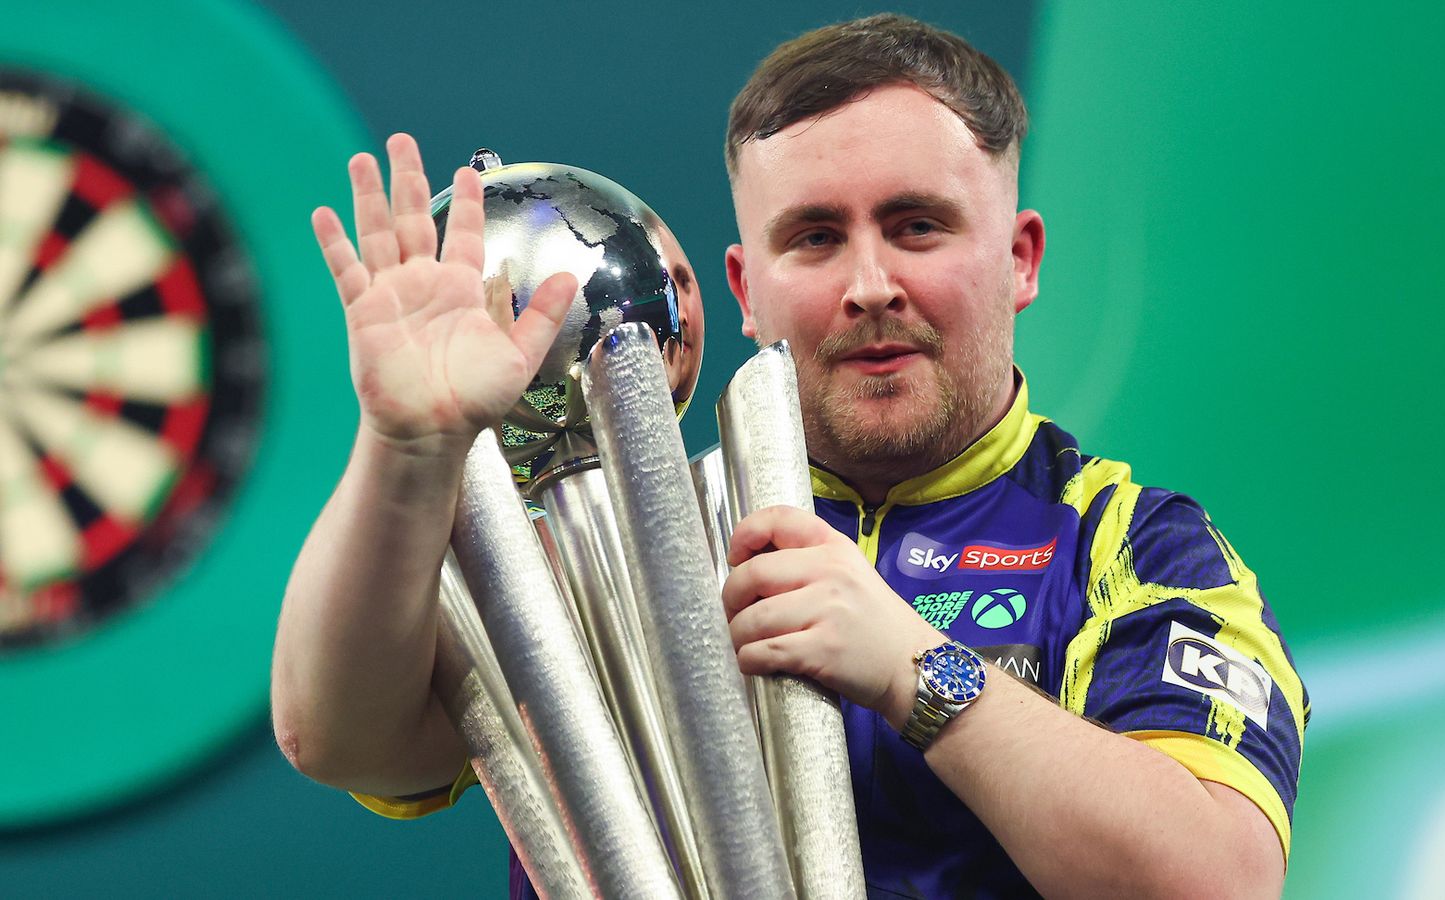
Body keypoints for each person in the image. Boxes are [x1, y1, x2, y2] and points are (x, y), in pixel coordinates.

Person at [271, 13, 1307, 899]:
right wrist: (402, 450)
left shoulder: (1132, 548)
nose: (869, 286)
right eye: (814, 237)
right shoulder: (609, 546)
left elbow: (1218, 877)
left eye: (917, 226)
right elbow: (339, 738)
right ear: (744, 287)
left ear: (1020, 258)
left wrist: (916, 670)